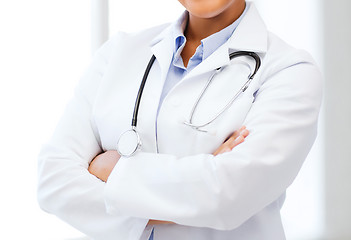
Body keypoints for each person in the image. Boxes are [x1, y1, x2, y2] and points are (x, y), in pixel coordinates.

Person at [37, 0, 322, 239]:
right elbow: (54, 181)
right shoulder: (119, 53)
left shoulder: (290, 71)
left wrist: (113, 170)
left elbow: (228, 195)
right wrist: (196, 189)